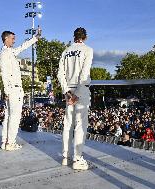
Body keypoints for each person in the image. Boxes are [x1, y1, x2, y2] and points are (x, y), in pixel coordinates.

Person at [57, 27, 93, 170]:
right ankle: (77, 158)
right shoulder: (88, 50)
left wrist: (67, 91)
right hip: (81, 90)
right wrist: (77, 94)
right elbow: (84, 73)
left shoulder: (65, 51)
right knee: (80, 125)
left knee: (68, 124)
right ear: (85, 37)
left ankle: (65, 157)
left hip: (68, 90)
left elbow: (60, 74)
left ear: (74, 37)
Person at [0, 29, 41, 151]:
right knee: (15, 117)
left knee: (8, 116)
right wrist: (7, 91)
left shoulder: (9, 52)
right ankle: (10, 143)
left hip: (11, 89)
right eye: (12, 38)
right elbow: (4, 74)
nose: (14, 40)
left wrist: (34, 38)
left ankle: (5, 141)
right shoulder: (6, 54)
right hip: (13, 89)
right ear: (6, 38)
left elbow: (22, 47)